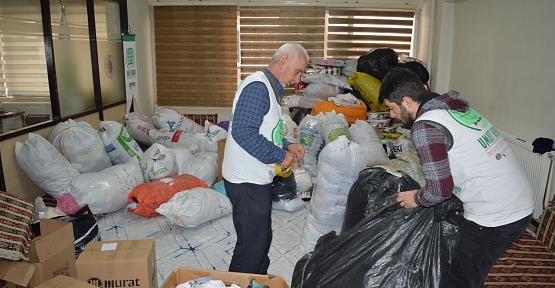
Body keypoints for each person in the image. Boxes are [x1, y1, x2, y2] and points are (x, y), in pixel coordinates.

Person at [378, 67, 534, 288]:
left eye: (392, 108)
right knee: (470, 271)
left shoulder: (425, 126)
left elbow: (439, 190)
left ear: (407, 101)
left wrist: (416, 198)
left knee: (461, 280)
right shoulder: (451, 109)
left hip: (497, 214)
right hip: (518, 198)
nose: (391, 115)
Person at [221, 42, 308, 274]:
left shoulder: (269, 88)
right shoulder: (258, 87)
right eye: (298, 71)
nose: (298, 78)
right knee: (251, 247)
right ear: (283, 61)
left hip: (255, 177)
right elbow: (243, 132)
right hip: (245, 179)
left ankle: (257, 280)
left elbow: (264, 132)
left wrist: (288, 146)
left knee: (261, 238)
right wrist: (281, 156)